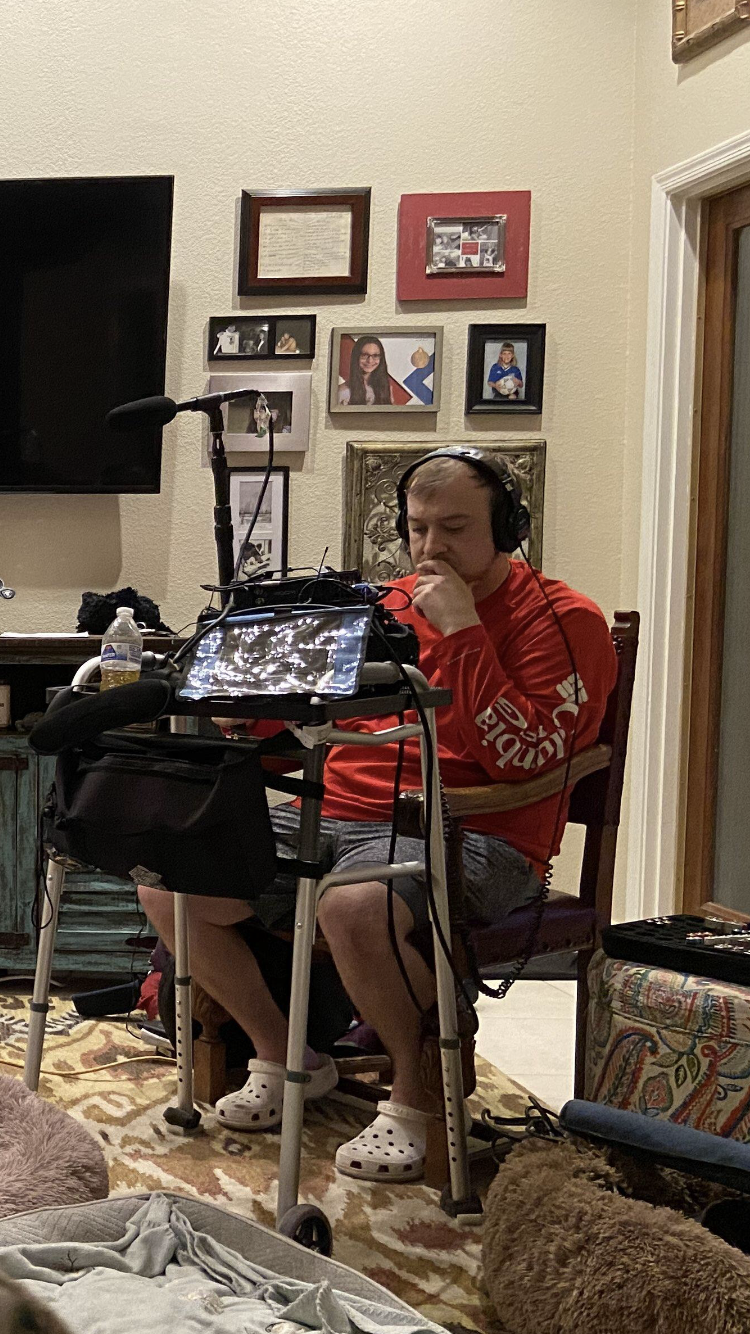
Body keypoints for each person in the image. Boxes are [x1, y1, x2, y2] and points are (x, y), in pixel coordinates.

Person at [138, 449, 617, 1183]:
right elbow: (303, 724)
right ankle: (286, 1054)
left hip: (475, 830)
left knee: (354, 907)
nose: (431, 549)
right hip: (330, 811)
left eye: (455, 528)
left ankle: (415, 1096)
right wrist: (246, 717)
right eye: (419, 529)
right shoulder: (382, 605)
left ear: (510, 528)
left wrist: (462, 633)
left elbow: (526, 758)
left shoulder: (565, 619)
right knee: (170, 875)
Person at [337, 336, 392, 406]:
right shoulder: (342, 392)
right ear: (356, 356)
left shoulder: (385, 388)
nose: (370, 360)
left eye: (375, 355)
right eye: (365, 355)